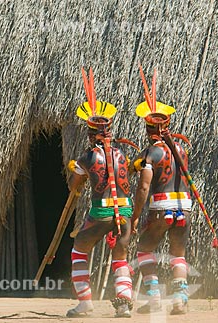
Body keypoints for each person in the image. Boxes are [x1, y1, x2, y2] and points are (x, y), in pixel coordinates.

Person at [66, 67, 138, 318]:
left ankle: (85, 303)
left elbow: (74, 185)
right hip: (125, 210)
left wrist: (76, 171)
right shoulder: (122, 154)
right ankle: (123, 305)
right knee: (120, 256)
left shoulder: (87, 156)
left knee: (78, 249)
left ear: (90, 133)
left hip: (101, 212)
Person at [130, 66, 192, 315]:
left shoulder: (151, 153)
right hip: (184, 206)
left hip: (160, 206)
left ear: (149, 129)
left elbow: (144, 186)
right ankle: (180, 299)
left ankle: (154, 297)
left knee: (145, 248)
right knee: (178, 253)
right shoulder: (182, 150)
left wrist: (135, 216)